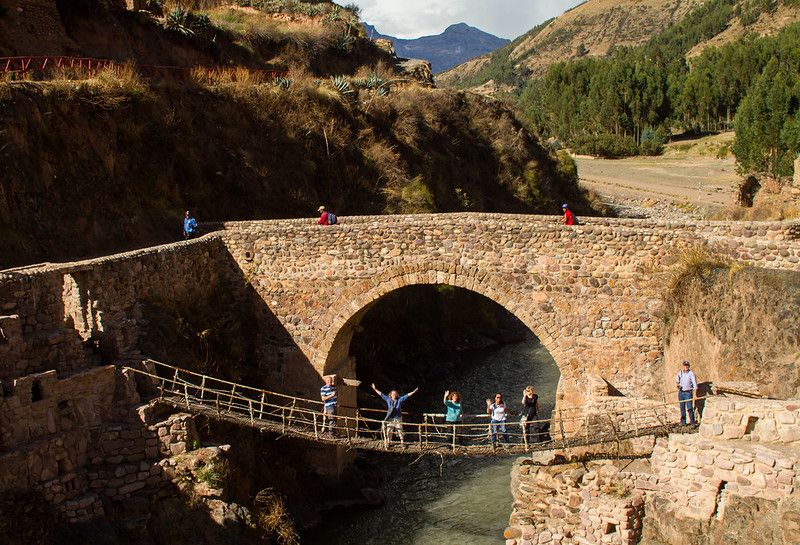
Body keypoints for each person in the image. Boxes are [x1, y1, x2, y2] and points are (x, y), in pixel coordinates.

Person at [676, 360, 698, 425]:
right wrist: (677, 384)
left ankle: (692, 422)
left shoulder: (691, 374)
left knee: (689, 408)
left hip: (688, 392)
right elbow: (677, 379)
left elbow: (694, 384)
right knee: (682, 408)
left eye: (687, 365)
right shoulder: (680, 372)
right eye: (685, 365)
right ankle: (683, 422)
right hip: (681, 392)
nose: (686, 367)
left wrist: (695, 395)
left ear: (689, 366)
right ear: (683, 366)